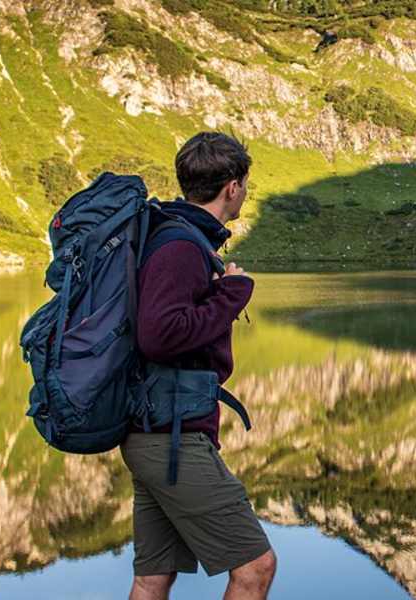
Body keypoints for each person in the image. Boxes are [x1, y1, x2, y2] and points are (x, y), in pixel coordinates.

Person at [120, 131, 276, 600]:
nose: (245, 192)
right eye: (245, 184)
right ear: (233, 187)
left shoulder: (179, 237)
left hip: (154, 432)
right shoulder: (181, 248)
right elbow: (159, 335)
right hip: (172, 440)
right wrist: (232, 294)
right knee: (255, 566)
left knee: (154, 576)